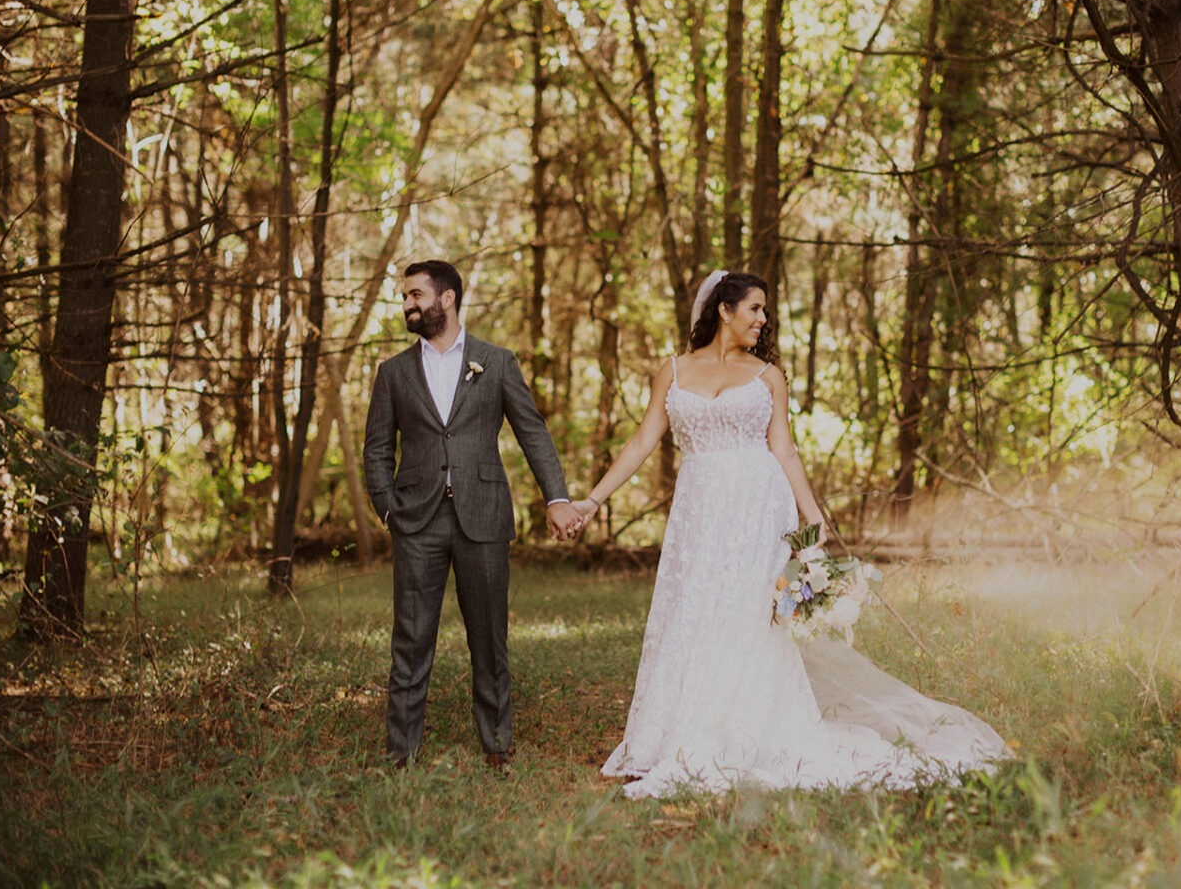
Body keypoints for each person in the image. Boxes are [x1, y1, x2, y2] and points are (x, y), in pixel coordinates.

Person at [568, 270, 1012, 798]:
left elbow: (784, 447)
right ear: (723, 310)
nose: (762, 319)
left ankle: (744, 733)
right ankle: (679, 732)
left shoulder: (767, 376)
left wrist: (812, 513)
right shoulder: (674, 371)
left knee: (748, 615)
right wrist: (593, 500)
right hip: (700, 509)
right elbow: (644, 439)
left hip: (760, 505)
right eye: (754, 308)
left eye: (765, 311)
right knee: (695, 609)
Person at [363, 260, 581, 771]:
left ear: (448, 298)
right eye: (404, 297)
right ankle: (402, 752)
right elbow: (376, 448)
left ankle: (496, 744)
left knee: (489, 637)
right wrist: (387, 509)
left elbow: (533, 431)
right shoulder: (392, 372)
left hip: (483, 517)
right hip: (416, 521)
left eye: (415, 295)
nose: (407, 305)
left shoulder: (496, 361)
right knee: (411, 638)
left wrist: (558, 497)